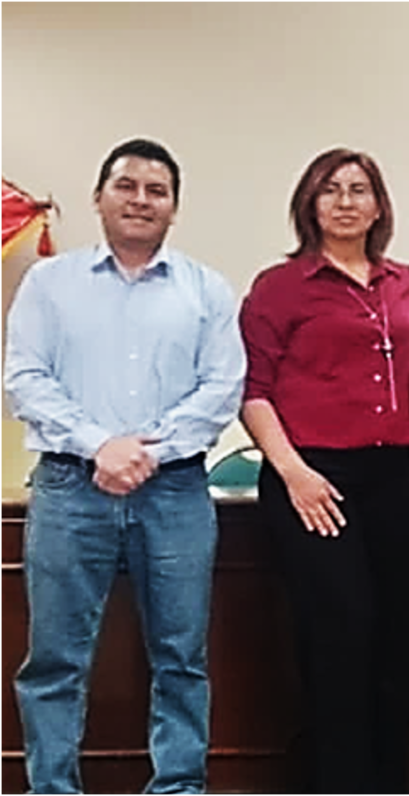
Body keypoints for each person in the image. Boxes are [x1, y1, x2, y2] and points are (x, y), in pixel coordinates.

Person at [4, 138, 246, 793]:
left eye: (156, 191)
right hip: (69, 489)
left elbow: (222, 388)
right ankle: (53, 788)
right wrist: (98, 446)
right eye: (126, 186)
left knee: (181, 658)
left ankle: (178, 786)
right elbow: (25, 378)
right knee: (54, 661)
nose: (141, 200)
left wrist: (148, 452)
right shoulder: (50, 284)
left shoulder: (206, 290)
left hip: (175, 491)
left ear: (174, 207)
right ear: (99, 197)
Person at [238, 147, 409, 794]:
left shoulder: (401, 281)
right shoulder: (280, 287)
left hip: (392, 476)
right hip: (311, 479)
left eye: (359, 189)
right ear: (310, 204)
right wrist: (293, 473)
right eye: (331, 190)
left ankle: (388, 782)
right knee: (340, 632)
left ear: (379, 206)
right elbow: (252, 392)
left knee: (390, 634)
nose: (346, 201)